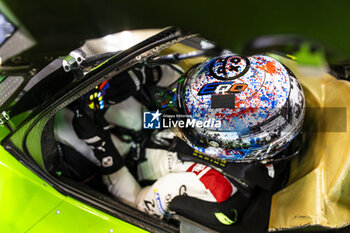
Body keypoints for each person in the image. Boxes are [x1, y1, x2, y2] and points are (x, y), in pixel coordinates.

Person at [56, 54, 305, 230]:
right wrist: (146, 74)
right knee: (94, 87)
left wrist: (102, 148)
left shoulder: (212, 189)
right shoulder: (237, 121)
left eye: (195, 123)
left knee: (62, 121)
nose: (184, 118)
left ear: (226, 146)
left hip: (125, 164)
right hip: (151, 128)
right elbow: (187, 104)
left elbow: (134, 206)